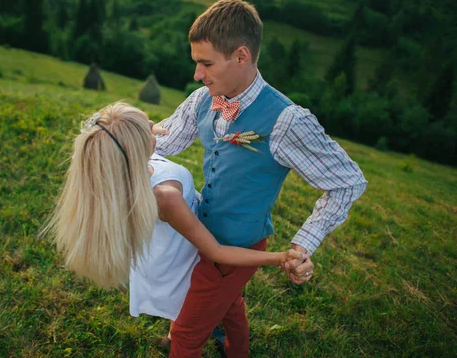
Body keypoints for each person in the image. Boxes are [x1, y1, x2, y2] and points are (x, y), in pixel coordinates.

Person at [152, 0, 368, 357]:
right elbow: (168, 138)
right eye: (196, 63)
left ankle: (183, 343)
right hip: (204, 232)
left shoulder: (286, 120)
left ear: (241, 56)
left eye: (206, 64)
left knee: (188, 333)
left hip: (239, 244)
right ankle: (237, 351)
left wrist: (302, 245)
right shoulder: (202, 100)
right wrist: (125, 131)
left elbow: (347, 181)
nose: (197, 74)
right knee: (229, 303)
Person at [40, 102, 307, 346]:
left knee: (229, 304)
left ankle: (228, 346)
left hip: (173, 239)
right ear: (137, 146)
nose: (154, 126)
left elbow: (127, 136)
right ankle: (201, 343)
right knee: (201, 315)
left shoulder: (125, 170)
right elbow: (216, 252)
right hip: (191, 251)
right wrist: (280, 257)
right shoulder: (165, 197)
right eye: (148, 127)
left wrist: (139, 128)